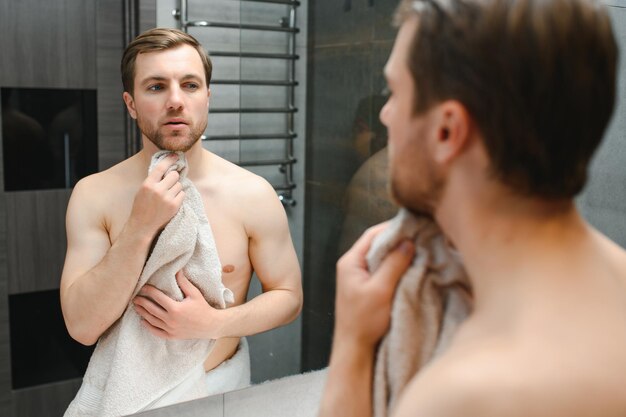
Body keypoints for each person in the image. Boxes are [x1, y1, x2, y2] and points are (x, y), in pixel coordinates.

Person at [320, 0, 626, 416]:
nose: (386, 115)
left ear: (447, 131)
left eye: (394, 93)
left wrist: (352, 345)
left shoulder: (471, 393)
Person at [60, 28, 302, 394]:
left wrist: (212, 324)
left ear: (207, 96)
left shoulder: (252, 194)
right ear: (130, 103)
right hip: (129, 396)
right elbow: (81, 326)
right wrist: (140, 227)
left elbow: (289, 297)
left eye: (190, 85)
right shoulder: (94, 195)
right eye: (156, 87)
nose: (175, 100)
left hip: (220, 390)